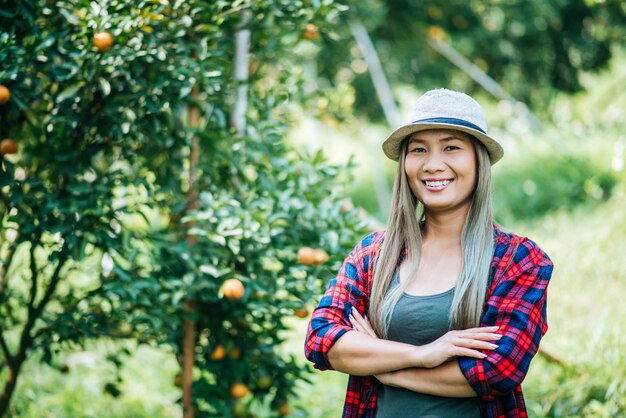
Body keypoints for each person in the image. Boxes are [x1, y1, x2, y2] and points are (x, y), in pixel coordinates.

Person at [304, 88, 553, 418]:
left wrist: (379, 364)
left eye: (451, 147)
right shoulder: (373, 255)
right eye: (419, 150)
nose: (433, 164)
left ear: (479, 161)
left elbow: (497, 370)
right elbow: (321, 339)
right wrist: (423, 355)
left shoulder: (518, 261)